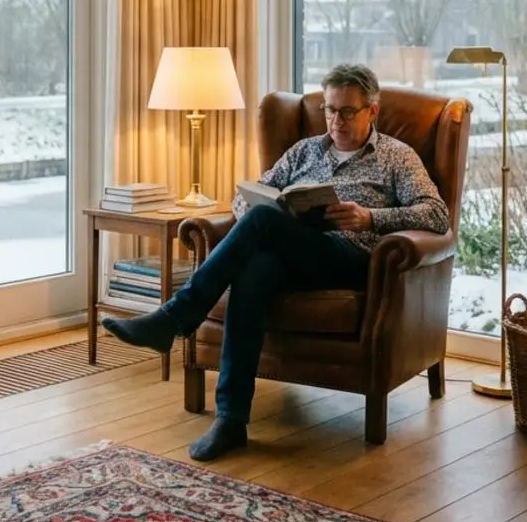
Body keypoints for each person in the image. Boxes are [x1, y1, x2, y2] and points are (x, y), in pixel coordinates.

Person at [101, 63, 450, 461]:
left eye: (347, 111)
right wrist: (253, 203)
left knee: (265, 221)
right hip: (295, 253)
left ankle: (175, 318)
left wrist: (370, 217)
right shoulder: (305, 150)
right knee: (254, 271)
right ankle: (231, 421)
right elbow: (249, 195)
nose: (336, 120)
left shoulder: (396, 157)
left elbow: (437, 214)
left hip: (350, 258)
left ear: (372, 110)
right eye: (330, 110)